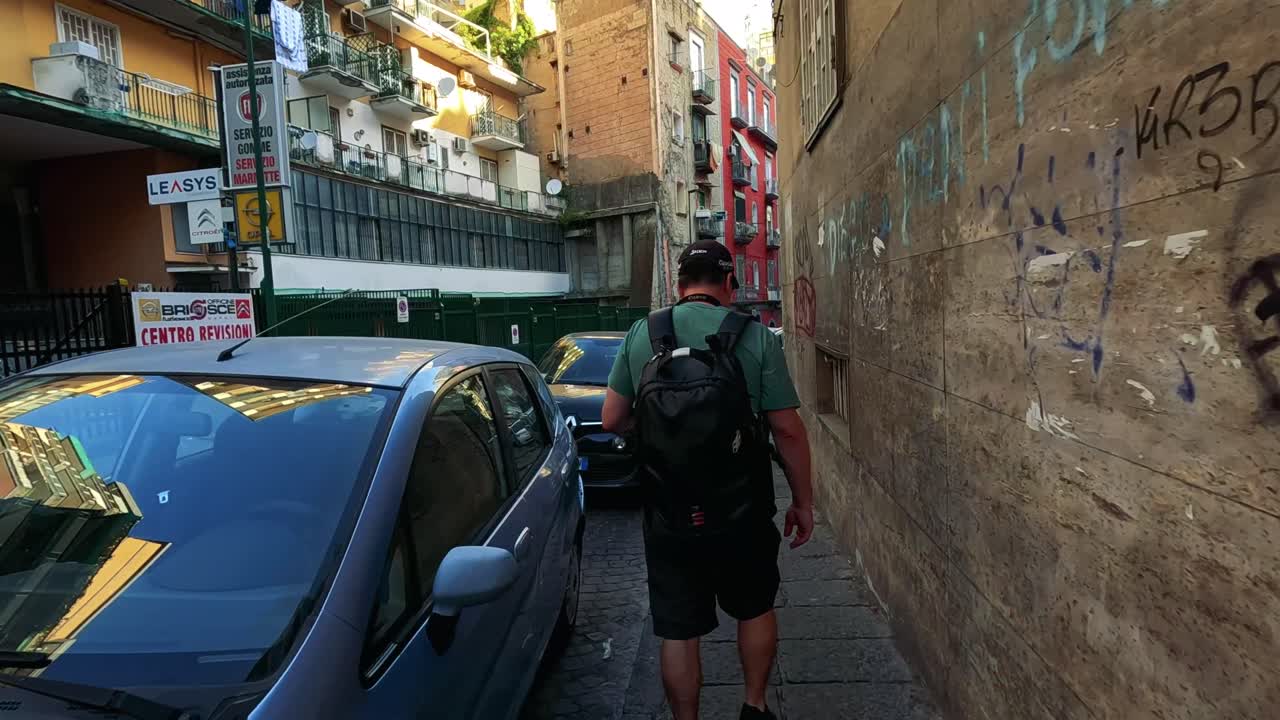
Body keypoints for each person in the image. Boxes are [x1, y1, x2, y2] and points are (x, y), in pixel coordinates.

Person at [602, 240, 814, 720]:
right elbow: (786, 429)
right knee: (755, 607)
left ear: (679, 287)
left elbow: (612, 418)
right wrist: (803, 501)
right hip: (742, 507)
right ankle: (754, 705)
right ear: (729, 285)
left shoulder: (644, 333)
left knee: (678, 629)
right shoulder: (754, 337)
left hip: (669, 509)